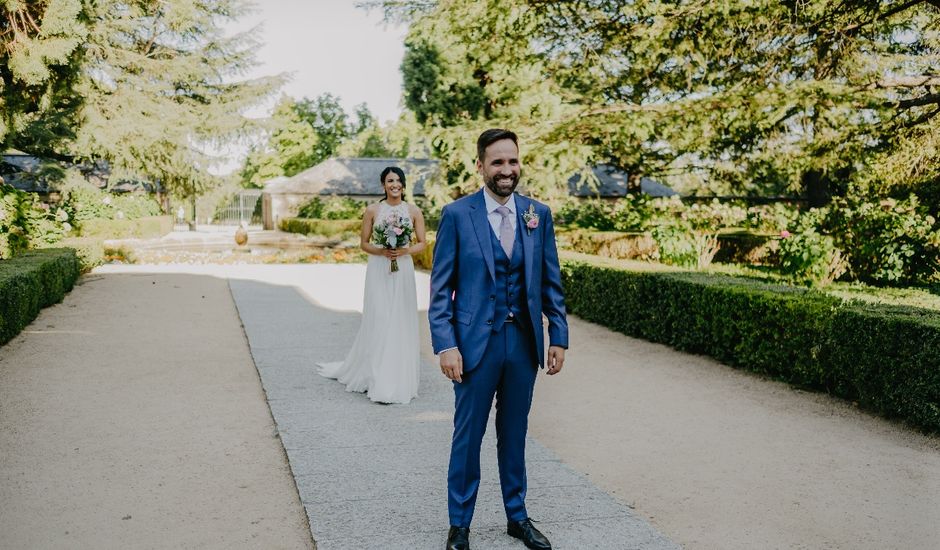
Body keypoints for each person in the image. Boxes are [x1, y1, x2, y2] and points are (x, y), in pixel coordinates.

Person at [429, 129, 568, 550]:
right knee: (467, 436)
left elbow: (550, 281)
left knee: (515, 433)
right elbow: (440, 289)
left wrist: (557, 335)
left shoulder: (537, 214)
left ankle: (517, 516)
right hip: (474, 346)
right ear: (480, 166)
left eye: (512, 162)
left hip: (522, 345)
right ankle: (460, 525)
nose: (506, 170)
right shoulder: (457, 215)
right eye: (497, 162)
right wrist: (446, 344)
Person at [318, 166, 427, 404]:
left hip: (403, 268)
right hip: (379, 267)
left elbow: (423, 243)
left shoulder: (413, 210)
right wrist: (382, 250)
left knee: (399, 318)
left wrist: (403, 249)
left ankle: (397, 376)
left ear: (404, 184)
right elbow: (364, 244)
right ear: (383, 185)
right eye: (390, 180)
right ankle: (375, 374)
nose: (394, 184)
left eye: (398, 180)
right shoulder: (372, 210)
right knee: (380, 317)